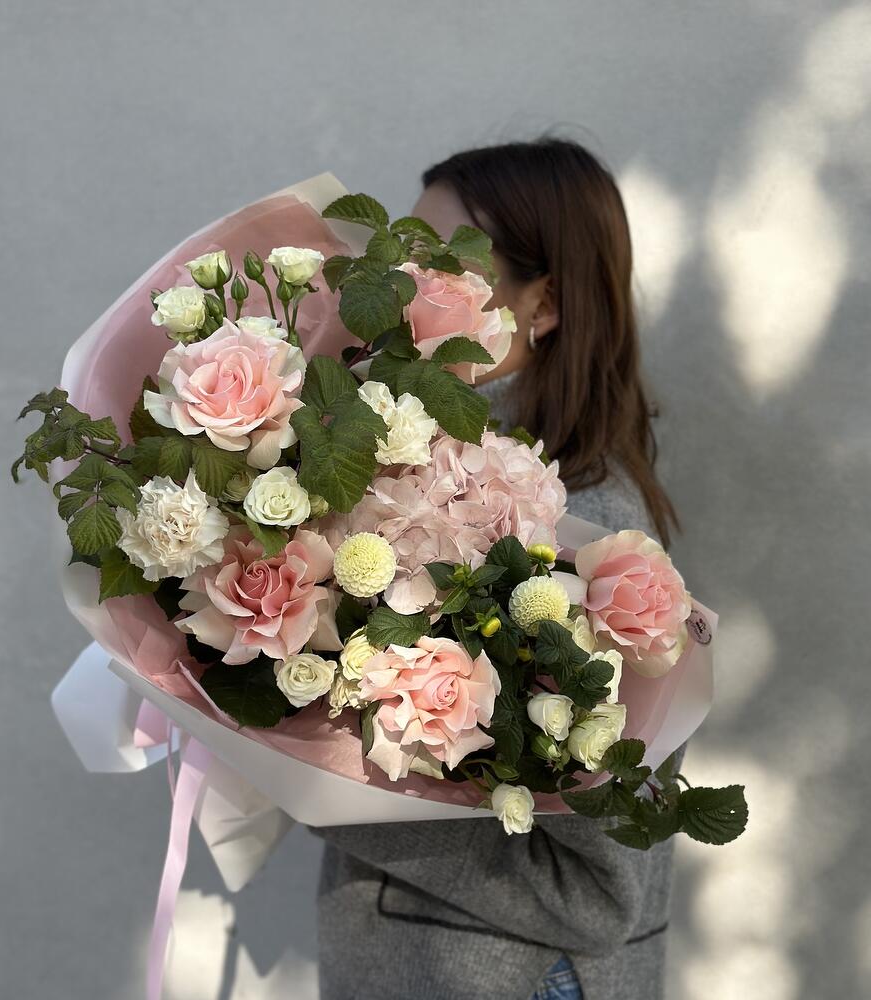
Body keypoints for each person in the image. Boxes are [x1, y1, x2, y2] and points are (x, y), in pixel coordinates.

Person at [311, 137, 684, 1000]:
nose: (403, 287)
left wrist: (332, 792)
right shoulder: (419, 476)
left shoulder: (588, 540)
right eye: (403, 257)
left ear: (541, 304)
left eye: (442, 265)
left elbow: (595, 892)